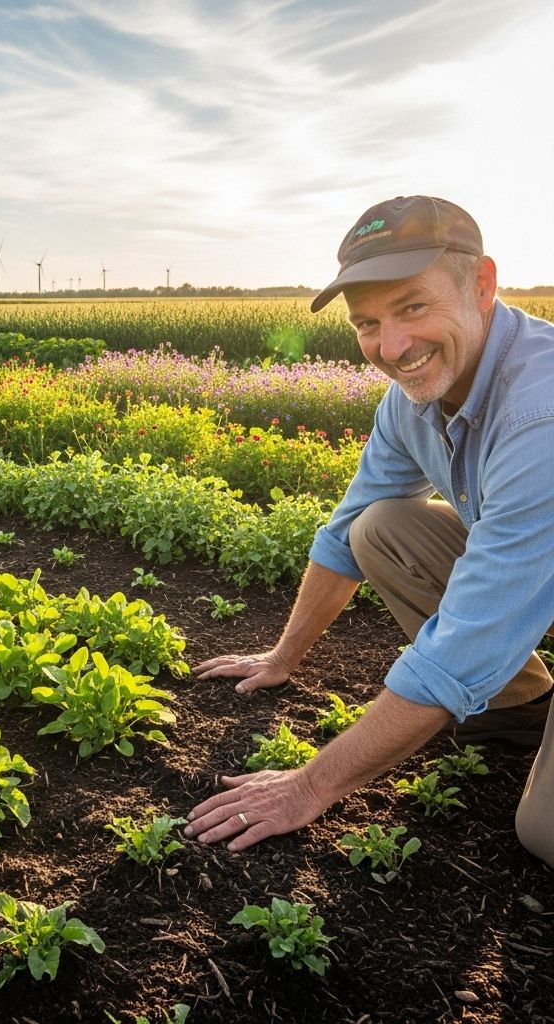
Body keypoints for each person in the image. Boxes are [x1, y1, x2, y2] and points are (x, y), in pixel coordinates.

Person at [183, 195, 554, 869]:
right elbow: (346, 530)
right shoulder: (411, 401)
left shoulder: (541, 410)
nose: (391, 348)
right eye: (368, 324)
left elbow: (462, 645)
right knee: (382, 527)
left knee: (546, 832)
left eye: (413, 307)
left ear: (482, 284)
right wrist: (282, 657)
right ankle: (520, 708)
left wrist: (311, 785)